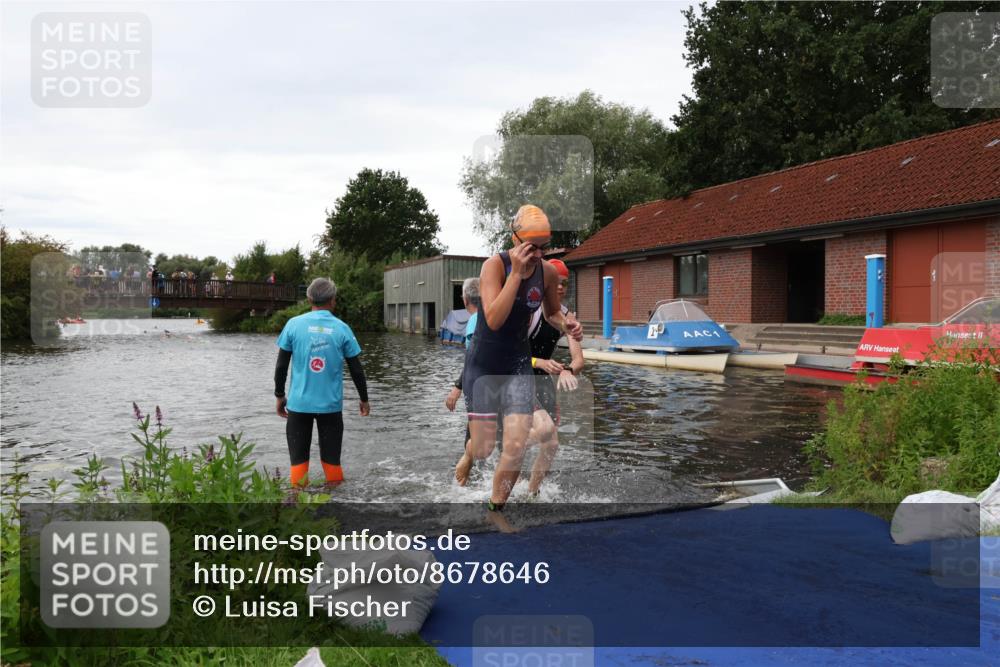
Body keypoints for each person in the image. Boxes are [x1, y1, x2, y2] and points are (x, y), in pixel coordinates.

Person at [454, 204, 582, 532]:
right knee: (483, 449)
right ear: (514, 239)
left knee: (515, 445)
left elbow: (552, 313)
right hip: (484, 364)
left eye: (543, 248)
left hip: (517, 365)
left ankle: (495, 510)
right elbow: (494, 319)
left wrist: (567, 325)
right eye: (531, 247)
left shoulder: (547, 272)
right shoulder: (494, 266)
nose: (538, 254)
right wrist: (516, 275)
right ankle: (469, 454)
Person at [274, 277, 370, 487]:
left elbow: (281, 366)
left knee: (298, 464)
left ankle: (297, 502)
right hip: (330, 407)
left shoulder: (293, 325)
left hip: (298, 405)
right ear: (333, 300)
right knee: (332, 463)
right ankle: (336, 503)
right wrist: (364, 399)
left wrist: (279, 396)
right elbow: (356, 369)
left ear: (309, 299)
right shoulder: (342, 328)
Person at [523, 258, 584, 495]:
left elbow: (578, 359)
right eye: (555, 282)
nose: (560, 287)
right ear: (543, 283)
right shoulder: (529, 311)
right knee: (544, 430)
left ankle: (531, 493)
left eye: (564, 283)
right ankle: (509, 444)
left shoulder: (567, 316)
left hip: (543, 382)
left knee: (552, 443)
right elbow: (509, 354)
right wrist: (539, 362)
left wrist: (567, 369)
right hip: (520, 376)